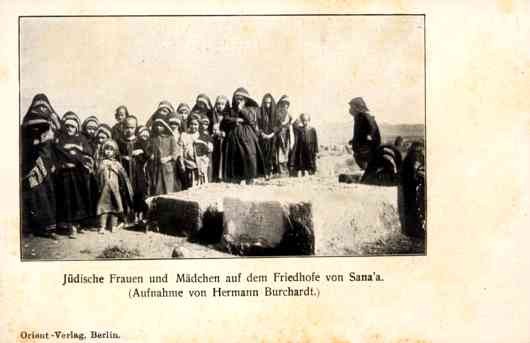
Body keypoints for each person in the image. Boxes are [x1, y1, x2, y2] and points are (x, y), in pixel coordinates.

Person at [21, 94, 59, 239]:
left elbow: (55, 144)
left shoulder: (52, 122)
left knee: (47, 194)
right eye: (39, 106)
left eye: (45, 107)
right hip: (33, 163)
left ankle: (48, 228)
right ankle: (31, 228)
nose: (42, 109)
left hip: (48, 163)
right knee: (34, 194)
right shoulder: (29, 121)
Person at [54, 111, 94, 238]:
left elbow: (88, 155)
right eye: (67, 126)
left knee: (79, 199)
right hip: (65, 175)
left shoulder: (82, 139)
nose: (69, 128)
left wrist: (76, 156)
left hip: (79, 175)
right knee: (68, 199)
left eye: (72, 126)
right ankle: (71, 227)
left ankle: (78, 225)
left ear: (77, 126)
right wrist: (70, 158)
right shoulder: (60, 139)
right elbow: (58, 154)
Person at [220, 87, 265, 184]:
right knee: (236, 158)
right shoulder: (230, 110)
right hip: (234, 138)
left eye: (241, 99)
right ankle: (238, 179)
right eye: (237, 99)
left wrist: (242, 110)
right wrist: (235, 120)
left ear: (246, 100)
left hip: (247, 137)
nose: (239, 101)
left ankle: (250, 178)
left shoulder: (251, 109)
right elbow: (225, 119)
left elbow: (251, 120)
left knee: (249, 156)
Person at [96, 139, 134, 234]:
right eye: (106, 149)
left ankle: (113, 226)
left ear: (115, 151)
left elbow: (123, 176)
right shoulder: (101, 162)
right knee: (103, 208)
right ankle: (102, 227)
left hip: (115, 190)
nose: (108, 151)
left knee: (115, 208)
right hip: (104, 189)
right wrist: (102, 168)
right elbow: (97, 174)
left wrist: (116, 170)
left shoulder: (117, 164)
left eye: (111, 149)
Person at [117, 116, 150, 225]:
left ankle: (138, 215)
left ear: (135, 128)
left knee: (139, 191)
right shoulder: (120, 142)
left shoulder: (140, 141)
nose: (129, 130)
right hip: (125, 171)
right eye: (127, 127)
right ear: (123, 127)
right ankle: (126, 216)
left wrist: (140, 153)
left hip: (137, 172)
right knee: (125, 191)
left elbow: (147, 155)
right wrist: (123, 157)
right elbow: (116, 155)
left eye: (132, 127)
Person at [148, 109, 182, 195]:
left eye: (161, 126)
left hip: (168, 167)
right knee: (157, 188)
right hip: (156, 167)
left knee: (168, 187)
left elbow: (175, 152)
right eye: (156, 126)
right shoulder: (153, 139)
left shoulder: (170, 138)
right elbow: (148, 149)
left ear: (165, 126)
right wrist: (151, 154)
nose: (158, 128)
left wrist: (168, 158)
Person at [399, 141, 426, 238]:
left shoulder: (409, 157)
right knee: (414, 209)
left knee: (412, 210)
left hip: (408, 188)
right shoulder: (413, 158)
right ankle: (415, 231)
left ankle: (413, 230)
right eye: (420, 150)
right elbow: (414, 174)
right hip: (410, 189)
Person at [178, 116, 213, 188]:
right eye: (191, 124)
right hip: (189, 165)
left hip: (201, 166)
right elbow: (180, 150)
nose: (193, 126)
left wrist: (204, 143)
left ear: (199, 125)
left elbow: (210, 149)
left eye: (195, 124)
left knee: (201, 186)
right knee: (189, 185)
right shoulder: (184, 135)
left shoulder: (203, 135)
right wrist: (181, 162)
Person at [348, 97, 381, 170]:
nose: (350, 109)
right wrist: (353, 140)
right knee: (359, 157)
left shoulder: (364, 116)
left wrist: (369, 137)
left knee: (362, 158)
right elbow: (360, 133)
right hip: (364, 147)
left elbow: (372, 129)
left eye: (352, 106)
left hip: (367, 147)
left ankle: (366, 172)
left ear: (358, 107)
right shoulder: (359, 117)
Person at [258, 93, 278, 180]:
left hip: (272, 137)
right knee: (263, 154)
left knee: (271, 154)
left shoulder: (275, 113)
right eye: (265, 103)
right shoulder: (260, 112)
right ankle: (264, 172)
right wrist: (262, 133)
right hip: (262, 137)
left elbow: (278, 126)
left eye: (269, 103)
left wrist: (271, 135)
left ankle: (271, 172)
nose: (267, 105)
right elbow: (258, 125)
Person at [210, 96, 230, 182]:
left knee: (224, 156)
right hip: (215, 138)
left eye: (222, 104)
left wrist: (224, 132)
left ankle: (224, 175)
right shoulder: (213, 114)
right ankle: (215, 176)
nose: (220, 106)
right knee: (216, 156)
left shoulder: (228, 114)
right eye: (218, 104)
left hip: (225, 138)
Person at [274, 95, 293, 176]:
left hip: (286, 135)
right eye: (284, 103)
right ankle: (280, 170)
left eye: (287, 104)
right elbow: (279, 124)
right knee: (280, 152)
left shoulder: (289, 115)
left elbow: (289, 124)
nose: (285, 105)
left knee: (286, 151)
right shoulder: (278, 113)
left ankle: (285, 170)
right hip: (279, 134)